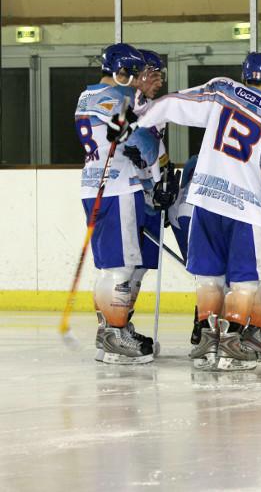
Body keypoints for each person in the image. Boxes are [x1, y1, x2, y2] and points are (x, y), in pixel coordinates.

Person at [124, 52, 261, 370]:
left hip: (203, 200)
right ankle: (231, 341)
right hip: (244, 207)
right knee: (247, 279)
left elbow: (174, 103)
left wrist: (141, 118)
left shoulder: (222, 89)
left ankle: (208, 340)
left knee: (209, 276)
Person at [75, 42, 154, 364]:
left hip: (94, 185)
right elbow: (142, 142)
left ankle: (111, 329)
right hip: (117, 186)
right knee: (121, 266)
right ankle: (114, 333)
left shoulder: (87, 95)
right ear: (122, 72)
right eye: (134, 74)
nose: (137, 80)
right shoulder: (115, 99)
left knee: (112, 266)